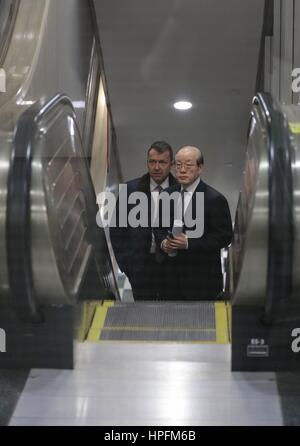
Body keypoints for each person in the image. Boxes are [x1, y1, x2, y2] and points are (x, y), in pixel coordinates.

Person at [155, 146, 233, 300]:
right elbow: (158, 228)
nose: (182, 170)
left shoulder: (215, 199)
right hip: (169, 280)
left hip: (202, 281)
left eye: (188, 165)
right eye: (178, 165)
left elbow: (224, 237)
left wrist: (189, 242)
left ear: (200, 168)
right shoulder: (167, 195)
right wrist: (164, 243)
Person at [110, 141, 178, 300]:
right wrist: (127, 266)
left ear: (172, 164)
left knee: (171, 312)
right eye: (152, 162)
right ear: (147, 162)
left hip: (173, 267)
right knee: (144, 311)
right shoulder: (129, 190)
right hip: (140, 266)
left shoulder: (182, 190)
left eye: (162, 162)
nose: (156, 167)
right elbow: (117, 230)